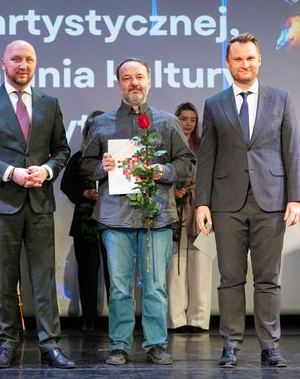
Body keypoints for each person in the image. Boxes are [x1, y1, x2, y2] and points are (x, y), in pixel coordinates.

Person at [195, 32, 300, 369]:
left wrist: (296, 198)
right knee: (230, 278)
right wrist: (202, 203)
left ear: (260, 61)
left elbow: (291, 150)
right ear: (227, 63)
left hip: (270, 201)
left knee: (267, 279)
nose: (244, 64)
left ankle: (270, 346)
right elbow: (207, 156)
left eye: (250, 58)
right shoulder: (214, 104)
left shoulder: (280, 99)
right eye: (238, 59)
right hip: (226, 203)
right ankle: (230, 345)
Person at [0, 40, 73, 369]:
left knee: (44, 278)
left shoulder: (49, 103)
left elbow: (61, 150)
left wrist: (47, 169)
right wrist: (12, 173)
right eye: (16, 59)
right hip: (0, 203)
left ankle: (50, 345)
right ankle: (7, 343)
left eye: (29, 59)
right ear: (3, 63)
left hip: (39, 203)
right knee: (4, 279)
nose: (23, 65)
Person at [81, 58, 195, 365]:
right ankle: (119, 344)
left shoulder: (167, 121)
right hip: (115, 217)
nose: (134, 82)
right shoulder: (102, 123)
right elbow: (85, 165)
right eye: (127, 78)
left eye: (139, 77)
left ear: (149, 80)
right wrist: (102, 167)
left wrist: (164, 171)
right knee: (119, 287)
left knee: (155, 285)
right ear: (118, 84)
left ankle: (156, 343)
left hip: (155, 217)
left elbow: (186, 162)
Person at [60, 110, 110, 333]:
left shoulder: (114, 159)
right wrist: (84, 193)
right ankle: (89, 317)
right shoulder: (79, 158)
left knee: (114, 272)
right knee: (87, 272)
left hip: (112, 221)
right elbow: (66, 185)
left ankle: (118, 318)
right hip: (84, 222)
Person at [167, 102, 212, 333]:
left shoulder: (204, 146)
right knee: (176, 264)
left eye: (192, 120)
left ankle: (199, 319)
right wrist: (173, 190)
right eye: (184, 119)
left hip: (201, 208)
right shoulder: (168, 145)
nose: (188, 123)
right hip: (175, 210)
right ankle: (176, 319)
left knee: (201, 265)